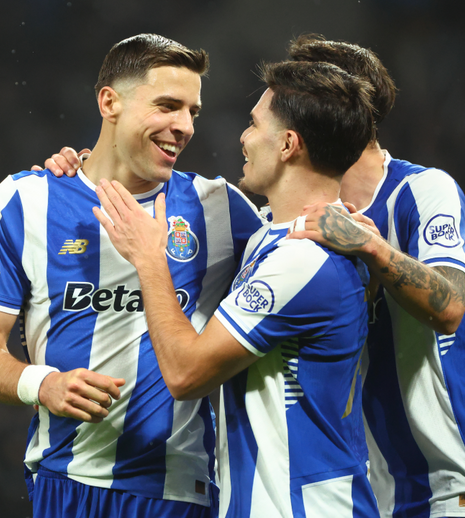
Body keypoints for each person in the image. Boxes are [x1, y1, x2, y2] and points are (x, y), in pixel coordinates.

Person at [0, 34, 265, 517]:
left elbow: (296, 280)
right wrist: (42, 384)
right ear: (109, 103)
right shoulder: (26, 200)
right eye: (167, 106)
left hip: (178, 493)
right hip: (65, 485)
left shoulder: (220, 208)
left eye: (193, 111)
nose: (184, 126)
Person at [93, 59, 378, 517]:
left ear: (287, 145)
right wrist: (85, 165)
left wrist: (149, 259)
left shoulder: (303, 260)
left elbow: (186, 374)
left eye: (254, 124)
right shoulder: (278, 236)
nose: (243, 138)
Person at [284, 36, 465, 518]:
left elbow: (450, 306)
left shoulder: (423, 190)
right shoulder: (308, 219)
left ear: (327, 113)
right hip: (387, 494)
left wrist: (371, 246)